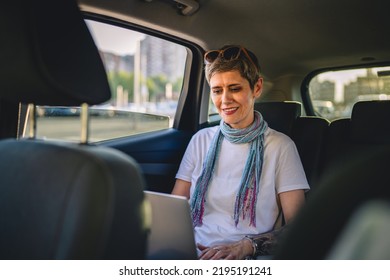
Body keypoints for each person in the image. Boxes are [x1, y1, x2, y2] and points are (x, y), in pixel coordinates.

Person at [172, 45, 309, 260]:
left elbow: (298, 227)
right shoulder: (200, 140)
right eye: (217, 90)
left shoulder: (281, 146)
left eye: (235, 88)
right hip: (192, 251)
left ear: (256, 88)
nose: (225, 99)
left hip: (248, 257)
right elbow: (174, 207)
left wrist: (247, 246)